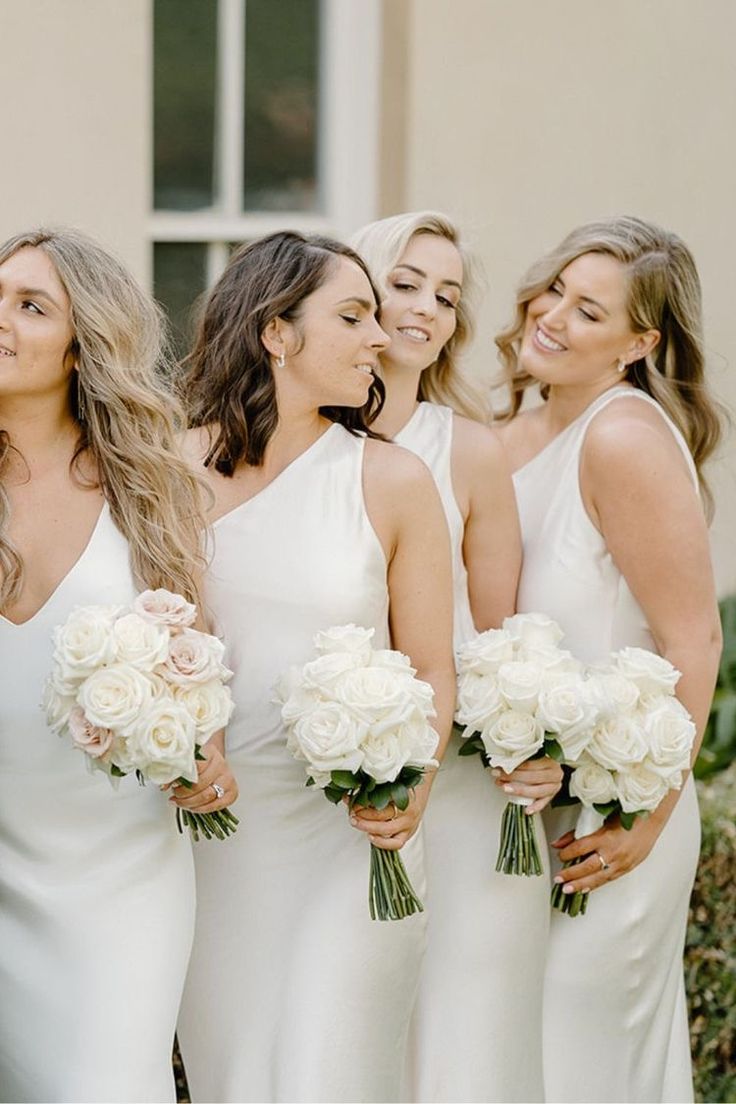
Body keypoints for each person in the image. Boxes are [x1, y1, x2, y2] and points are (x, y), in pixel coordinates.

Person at [175, 230, 455, 1104]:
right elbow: (158, 645)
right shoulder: (175, 470)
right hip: (217, 843)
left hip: (353, 837)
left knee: (329, 1076)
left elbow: (434, 668)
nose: (382, 336)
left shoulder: (395, 481)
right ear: (276, 332)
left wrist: (415, 783)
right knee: (237, 1079)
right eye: (355, 314)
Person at [0, 227, 237, 1103]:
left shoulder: (147, 485)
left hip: (118, 874)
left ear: (81, 347)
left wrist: (204, 756)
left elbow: (195, 663)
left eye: (30, 306)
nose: (1, 319)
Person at [495, 215, 723, 1103]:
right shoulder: (513, 423)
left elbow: (693, 640)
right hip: (524, 805)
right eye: (554, 289)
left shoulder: (621, 437)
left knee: (583, 1063)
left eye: (589, 311)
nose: (552, 315)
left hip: (612, 813)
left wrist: (651, 814)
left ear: (639, 343)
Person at [352, 211, 561, 1103]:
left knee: (462, 1029)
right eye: (405, 283)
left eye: (445, 297)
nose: (427, 309)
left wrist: (531, 733)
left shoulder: (469, 450)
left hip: (462, 784)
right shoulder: (300, 445)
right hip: (336, 772)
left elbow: (504, 629)